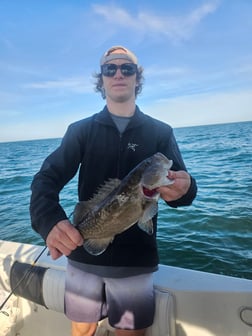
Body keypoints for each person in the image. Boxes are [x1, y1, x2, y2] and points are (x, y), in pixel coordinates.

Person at [30, 45, 197, 336]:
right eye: (110, 68)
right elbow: (46, 179)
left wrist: (186, 187)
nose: (118, 73)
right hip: (84, 256)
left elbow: (184, 191)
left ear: (136, 78)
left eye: (127, 68)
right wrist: (49, 221)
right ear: (102, 79)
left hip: (136, 260)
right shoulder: (80, 130)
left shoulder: (161, 132)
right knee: (81, 330)